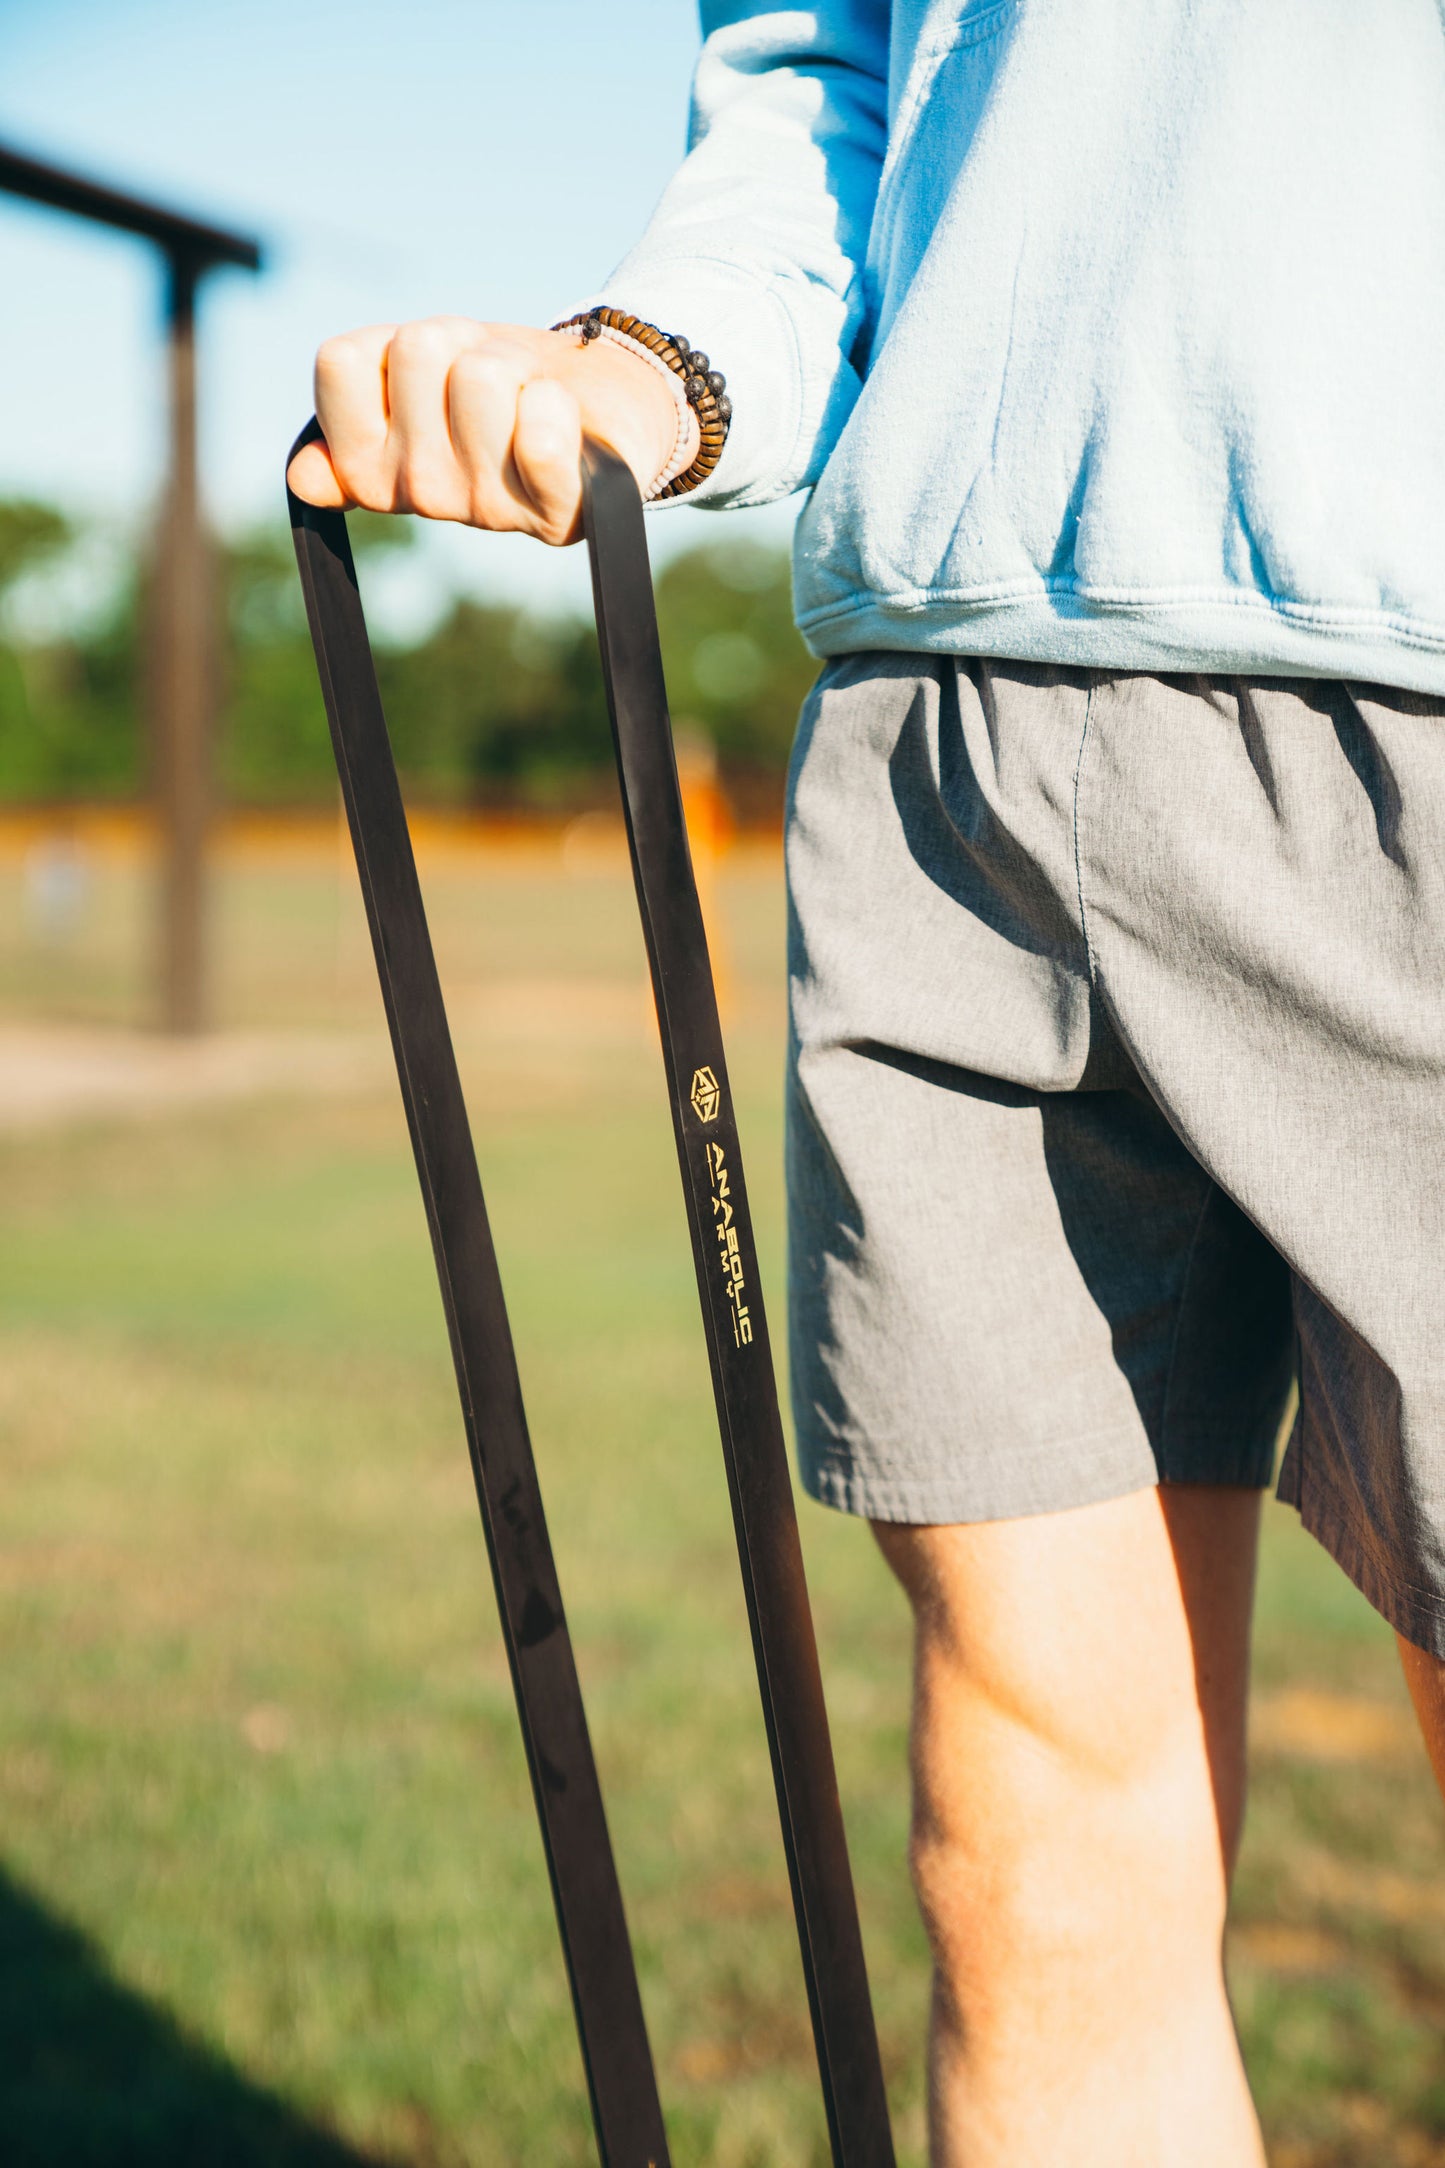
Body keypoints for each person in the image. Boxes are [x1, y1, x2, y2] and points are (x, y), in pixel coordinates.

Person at [288, 4, 1445, 2159]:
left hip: (1420, 687)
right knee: (1029, 1885)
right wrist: (658, 360)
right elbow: (823, 76)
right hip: (951, 740)